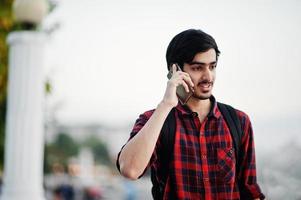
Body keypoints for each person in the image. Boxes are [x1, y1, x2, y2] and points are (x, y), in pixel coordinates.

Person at [116, 29, 265, 199]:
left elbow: (250, 190)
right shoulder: (155, 120)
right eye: (197, 68)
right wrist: (166, 104)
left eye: (212, 66)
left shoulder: (238, 121)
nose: (208, 76)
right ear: (176, 70)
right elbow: (130, 170)